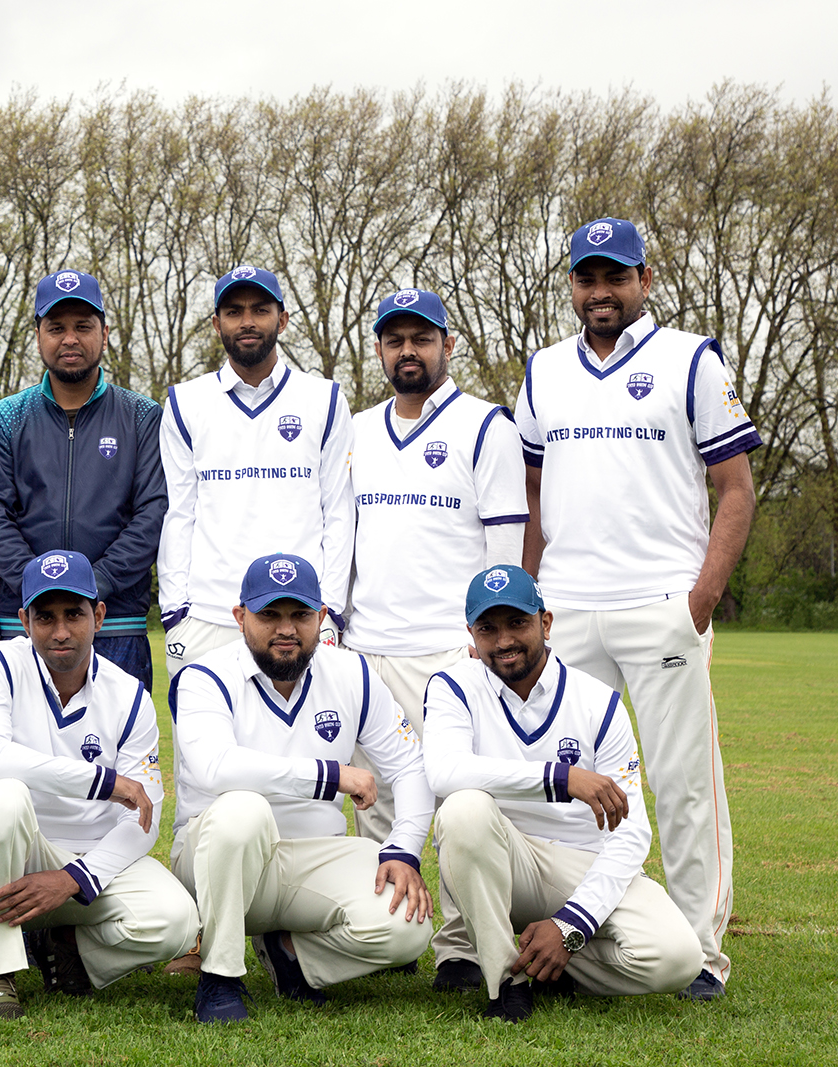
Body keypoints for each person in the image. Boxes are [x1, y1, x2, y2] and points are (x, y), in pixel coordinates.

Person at [516, 217, 762, 999]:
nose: (600, 292)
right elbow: (530, 495)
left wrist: (701, 598)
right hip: (566, 609)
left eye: (615, 277)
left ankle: (700, 951)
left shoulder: (690, 357)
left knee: (683, 783)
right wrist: (529, 601)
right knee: (562, 787)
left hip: (660, 603)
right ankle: (572, 936)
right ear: (572, 286)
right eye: (587, 278)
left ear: (644, 280)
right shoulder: (543, 370)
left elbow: (736, 489)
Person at [343, 288, 528, 982]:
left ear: (448, 344)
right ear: (381, 349)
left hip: (453, 646)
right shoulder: (357, 429)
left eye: (422, 338)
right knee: (378, 798)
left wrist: (492, 645)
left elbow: (504, 550)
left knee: (458, 801)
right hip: (371, 642)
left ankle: (457, 943)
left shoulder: (487, 427)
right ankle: (389, 929)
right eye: (395, 340)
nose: (409, 351)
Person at [423, 565, 702, 1021]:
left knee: (677, 958)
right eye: (488, 628)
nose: (504, 640)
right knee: (462, 811)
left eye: (517, 623)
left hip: (582, 862)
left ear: (545, 623)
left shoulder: (599, 702)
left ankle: (553, 965)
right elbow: (445, 771)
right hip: (507, 862)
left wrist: (572, 925)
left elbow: (629, 834)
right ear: (471, 635)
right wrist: (560, 778)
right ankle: (505, 981)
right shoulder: (453, 686)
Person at [169, 553, 432, 1023]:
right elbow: (215, 767)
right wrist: (328, 774)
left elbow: (411, 767)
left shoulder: (352, 672)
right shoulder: (203, 676)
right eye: (269, 614)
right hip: (217, 859)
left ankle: (291, 956)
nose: (286, 629)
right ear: (240, 617)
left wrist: (403, 850)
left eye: (300, 615)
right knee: (243, 810)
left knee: (407, 929)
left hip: (315, 855)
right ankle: (221, 976)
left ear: (322, 618)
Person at [0, 550, 199, 1019]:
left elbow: (145, 816)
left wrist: (74, 878)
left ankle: (67, 950)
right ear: (24, 620)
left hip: (88, 858)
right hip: (16, 851)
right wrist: (102, 782)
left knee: (176, 920)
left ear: (100, 615)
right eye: (45, 617)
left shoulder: (129, 693)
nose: (61, 631)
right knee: (3, 797)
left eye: (74, 614)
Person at [0, 270, 167, 691]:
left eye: (83, 326)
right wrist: (39, 589)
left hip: (116, 624)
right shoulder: (5, 418)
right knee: (23, 754)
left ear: (105, 332)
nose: (70, 339)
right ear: (38, 334)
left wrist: (92, 584)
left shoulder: (142, 416)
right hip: (25, 627)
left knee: (119, 752)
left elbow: (152, 512)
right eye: (56, 327)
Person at [158, 266, 354, 680]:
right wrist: (176, 611)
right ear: (216, 323)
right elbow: (178, 513)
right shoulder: (184, 402)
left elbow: (338, 511)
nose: (247, 321)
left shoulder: (325, 399)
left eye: (260, 309)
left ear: (281, 319)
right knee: (203, 745)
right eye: (233, 311)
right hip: (210, 617)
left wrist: (330, 610)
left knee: (309, 745)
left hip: (298, 617)